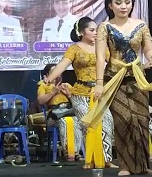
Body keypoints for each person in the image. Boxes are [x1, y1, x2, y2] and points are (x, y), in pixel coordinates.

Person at [82, 0, 152, 176]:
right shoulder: (105, 27)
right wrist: (99, 83)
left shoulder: (141, 25)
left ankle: (144, 166)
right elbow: (100, 57)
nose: (124, 6)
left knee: (142, 120)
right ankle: (125, 165)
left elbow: (148, 49)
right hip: (114, 78)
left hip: (138, 77)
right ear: (110, 6)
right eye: (118, 3)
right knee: (124, 120)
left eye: (127, 2)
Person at [42, 16, 118, 168]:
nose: (95, 32)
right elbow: (62, 64)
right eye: (92, 30)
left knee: (107, 123)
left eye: (96, 30)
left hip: (99, 91)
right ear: (81, 32)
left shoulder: (102, 47)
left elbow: (114, 64)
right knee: (88, 125)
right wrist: (50, 78)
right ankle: (90, 160)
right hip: (80, 92)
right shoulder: (74, 49)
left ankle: (106, 159)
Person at [36, 64, 76, 160]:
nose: (57, 75)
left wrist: (69, 95)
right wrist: (53, 92)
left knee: (77, 120)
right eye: (54, 72)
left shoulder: (66, 86)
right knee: (64, 121)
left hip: (68, 111)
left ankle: (76, 152)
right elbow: (40, 101)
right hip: (53, 115)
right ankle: (69, 152)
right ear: (47, 74)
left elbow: (77, 104)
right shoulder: (44, 85)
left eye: (59, 72)